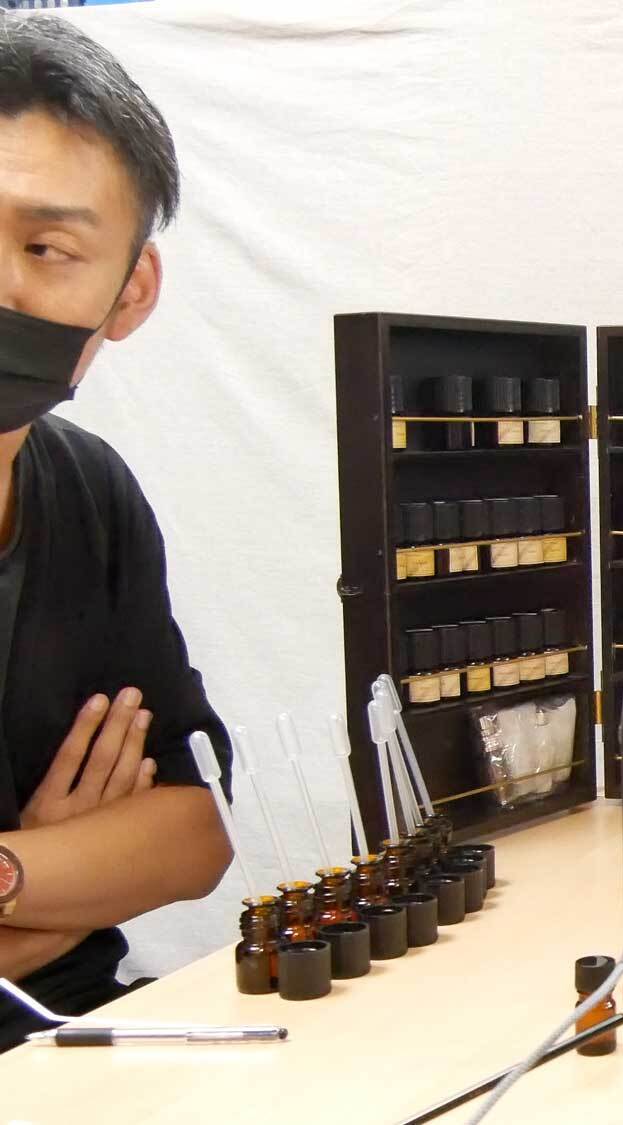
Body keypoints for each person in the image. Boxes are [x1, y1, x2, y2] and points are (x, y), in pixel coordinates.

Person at [0, 16, 231, 1051]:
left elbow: (194, 832)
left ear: (129, 292)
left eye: (45, 249)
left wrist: (11, 871)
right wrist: (67, 876)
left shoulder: (88, 493)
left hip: (80, 1035)